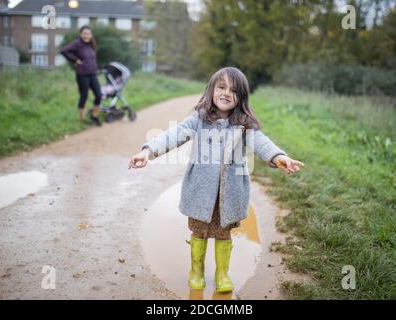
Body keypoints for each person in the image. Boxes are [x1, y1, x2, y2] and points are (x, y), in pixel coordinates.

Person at [128, 67, 304, 293]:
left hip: (228, 193)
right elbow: (174, 135)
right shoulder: (199, 119)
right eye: (221, 87)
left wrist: (279, 157)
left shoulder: (243, 124)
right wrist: (148, 151)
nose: (226, 93)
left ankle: (222, 274)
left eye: (234, 90)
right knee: (199, 232)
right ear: (212, 90)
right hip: (200, 192)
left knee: (223, 233)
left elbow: (261, 142)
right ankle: (197, 271)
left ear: (241, 97)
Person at [60, 25, 102, 126]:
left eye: (88, 34)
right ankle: (82, 120)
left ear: (91, 35)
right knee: (84, 95)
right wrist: (75, 60)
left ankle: (94, 116)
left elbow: (92, 59)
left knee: (99, 95)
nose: (86, 35)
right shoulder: (77, 43)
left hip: (93, 74)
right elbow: (64, 51)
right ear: (81, 34)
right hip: (82, 74)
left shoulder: (92, 44)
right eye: (84, 33)